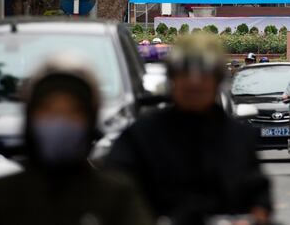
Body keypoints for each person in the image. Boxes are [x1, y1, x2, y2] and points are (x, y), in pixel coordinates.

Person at [0, 55, 153, 225]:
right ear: (31, 117)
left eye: (72, 112)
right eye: (49, 111)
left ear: (90, 120)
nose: (60, 122)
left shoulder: (117, 198)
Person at [107, 34, 273, 225]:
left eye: (204, 74)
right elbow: (116, 191)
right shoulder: (142, 135)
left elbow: (259, 198)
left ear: (217, 81)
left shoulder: (238, 138)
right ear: (172, 79)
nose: (195, 82)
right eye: (185, 73)